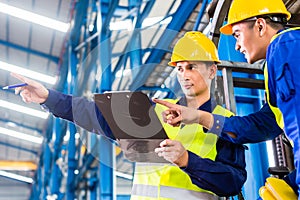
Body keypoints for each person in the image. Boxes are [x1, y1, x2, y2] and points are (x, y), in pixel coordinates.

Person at [13, 31, 246, 199]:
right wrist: (47, 97)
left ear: (212, 71)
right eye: (179, 68)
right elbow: (94, 115)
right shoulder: (156, 111)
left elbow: (232, 182)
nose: (184, 74)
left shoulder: (225, 122)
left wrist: (188, 161)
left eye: (192, 67)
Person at [153, 0, 300, 197]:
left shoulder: (286, 46)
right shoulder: (279, 58)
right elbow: (262, 125)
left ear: (260, 26)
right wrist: (198, 116)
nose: (237, 46)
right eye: (180, 68)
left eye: (237, 35)